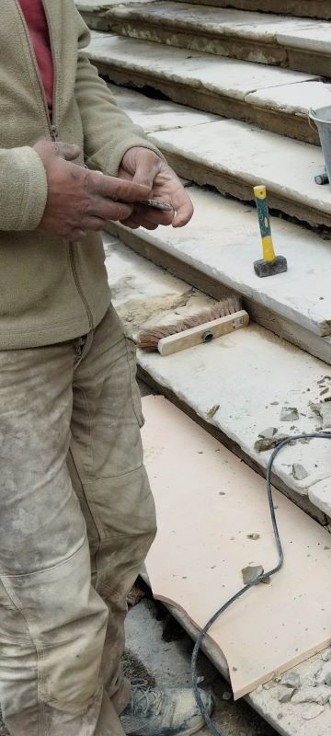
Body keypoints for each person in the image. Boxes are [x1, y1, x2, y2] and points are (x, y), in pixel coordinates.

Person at [1, 0, 214, 734]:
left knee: (118, 531)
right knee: (41, 606)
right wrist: (26, 190)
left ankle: (105, 701)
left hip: (84, 307)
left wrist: (128, 150)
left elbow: (73, 71)